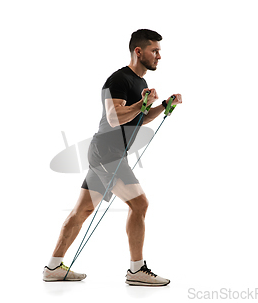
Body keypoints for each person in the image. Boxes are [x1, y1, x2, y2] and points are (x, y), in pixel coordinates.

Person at [43, 29, 183, 286]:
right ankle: (136, 270)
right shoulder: (118, 80)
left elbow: (139, 119)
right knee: (139, 204)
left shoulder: (140, 83)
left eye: (160, 51)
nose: (159, 56)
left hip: (109, 153)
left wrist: (163, 105)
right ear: (138, 51)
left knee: (82, 210)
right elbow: (114, 117)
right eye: (155, 51)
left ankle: (53, 267)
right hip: (107, 152)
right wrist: (140, 105)